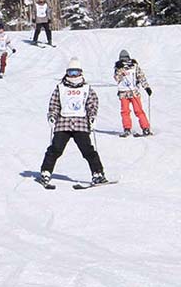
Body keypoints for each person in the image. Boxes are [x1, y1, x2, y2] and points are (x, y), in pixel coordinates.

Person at [38, 58, 107, 186]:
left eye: (75, 72)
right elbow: (54, 104)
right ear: (67, 73)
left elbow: (92, 103)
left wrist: (92, 116)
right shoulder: (60, 87)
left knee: (87, 150)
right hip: (63, 123)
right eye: (71, 72)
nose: (73, 76)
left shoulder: (86, 88)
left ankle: (98, 173)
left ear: (81, 73)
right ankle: (46, 172)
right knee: (55, 149)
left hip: (80, 123)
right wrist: (52, 116)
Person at [114, 49, 152, 137]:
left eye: (126, 58)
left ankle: (145, 128)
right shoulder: (118, 67)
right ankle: (127, 128)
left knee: (138, 110)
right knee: (125, 111)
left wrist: (146, 87)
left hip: (134, 92)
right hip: (123, 92)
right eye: (122, 59)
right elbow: (117, 78)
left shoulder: (134, 66)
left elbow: (141, 77)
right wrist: (119, 70)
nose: (124, 61)